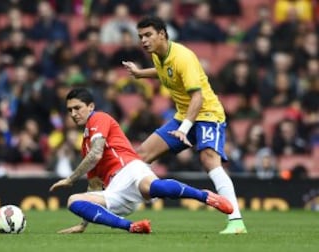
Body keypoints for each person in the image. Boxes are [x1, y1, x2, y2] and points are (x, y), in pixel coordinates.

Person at [122, 16, 247, 234]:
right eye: (140, 36)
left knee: (209, 160)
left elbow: (197, 98)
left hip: (207, 113)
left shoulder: (183, 57)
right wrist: (141, 73)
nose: (143, 40)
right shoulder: (159, 56)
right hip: (183, 115)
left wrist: (184, 128)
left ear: (162, 34)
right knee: (141, 155)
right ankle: (121, 207)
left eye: (148, 35)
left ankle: (236, 221)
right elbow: (164, 73)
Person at [49, 88, 233, 234]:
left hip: (129, 168)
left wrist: (70, 179)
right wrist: (83, 225)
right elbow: (95, 186)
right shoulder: (84, 145)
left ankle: (205, 196)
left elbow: (97, 153)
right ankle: (133, 226)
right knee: (74, 201)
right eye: (69, 110)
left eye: (77, 108)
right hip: (116, 190)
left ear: (90, 106)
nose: (73, 113)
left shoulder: (98, 118)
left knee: (153, 188)